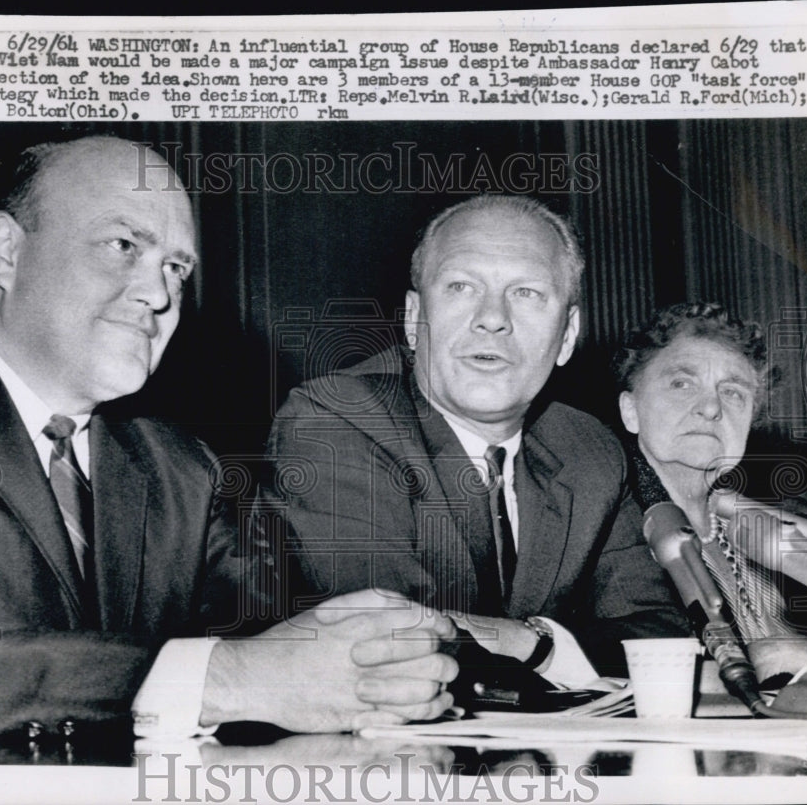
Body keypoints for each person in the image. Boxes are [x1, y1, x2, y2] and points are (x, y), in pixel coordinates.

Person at [0, 136, 457, 739]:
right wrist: (223, 682)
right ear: (7, 253)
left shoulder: (183, 469)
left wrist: (368, 659)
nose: (160, 296)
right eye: (123, 246)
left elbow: (268, 642)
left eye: (176, 267)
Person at [264, 195, 688, 679]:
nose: (492, 317)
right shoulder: (336, 420)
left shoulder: (589, 450)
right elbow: (388, 644)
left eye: (526, 292)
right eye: (462, 286)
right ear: (412, 319)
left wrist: (531, 640)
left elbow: (661, 639)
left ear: (567, 334)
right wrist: (548, 650)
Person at [613, 301, 807, 684]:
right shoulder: (607, 540)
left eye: (733, 392)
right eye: (682, 384)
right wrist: (776, 655)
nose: (712, 407)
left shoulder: (775, 527)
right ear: (630, 410)